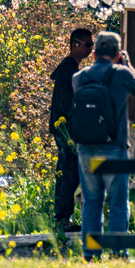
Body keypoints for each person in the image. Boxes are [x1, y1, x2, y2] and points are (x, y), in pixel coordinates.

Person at [70, 31, 135, 259]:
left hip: (85, 147)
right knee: (117, 201)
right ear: (116, 53)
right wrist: (128, 64)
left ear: (93, 53)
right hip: (114, 145)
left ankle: (91, 253)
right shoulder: (121, 73)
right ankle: (118, 251)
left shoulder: (79, 77)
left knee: (91, 201)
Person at [49, 27, 94, 231]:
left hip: (65, 130)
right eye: (88, 45)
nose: (91, 49)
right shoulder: (69, 70)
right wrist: (72, 131)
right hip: (66, 132)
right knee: (69, 173)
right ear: (75, 45)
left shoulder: (70, 68)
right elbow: (67, 105)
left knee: (68, 173)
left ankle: (62, 218)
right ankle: (62, 219)